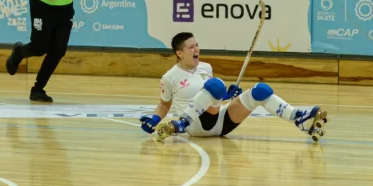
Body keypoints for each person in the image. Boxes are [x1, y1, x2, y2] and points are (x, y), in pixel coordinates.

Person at [139, 32, 329, 142]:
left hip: (218, 123)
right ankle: (182, 123)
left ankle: (298, 119)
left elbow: (211, 98)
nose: (197, 49)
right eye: (191, 47)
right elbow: (164, 105)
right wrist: (154, 120)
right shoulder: (169, 77)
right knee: (216, 85)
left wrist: (226, 96)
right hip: (195, 126)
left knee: (260, 91)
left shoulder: (206, 67)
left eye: (197, 45)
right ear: (179, 53)